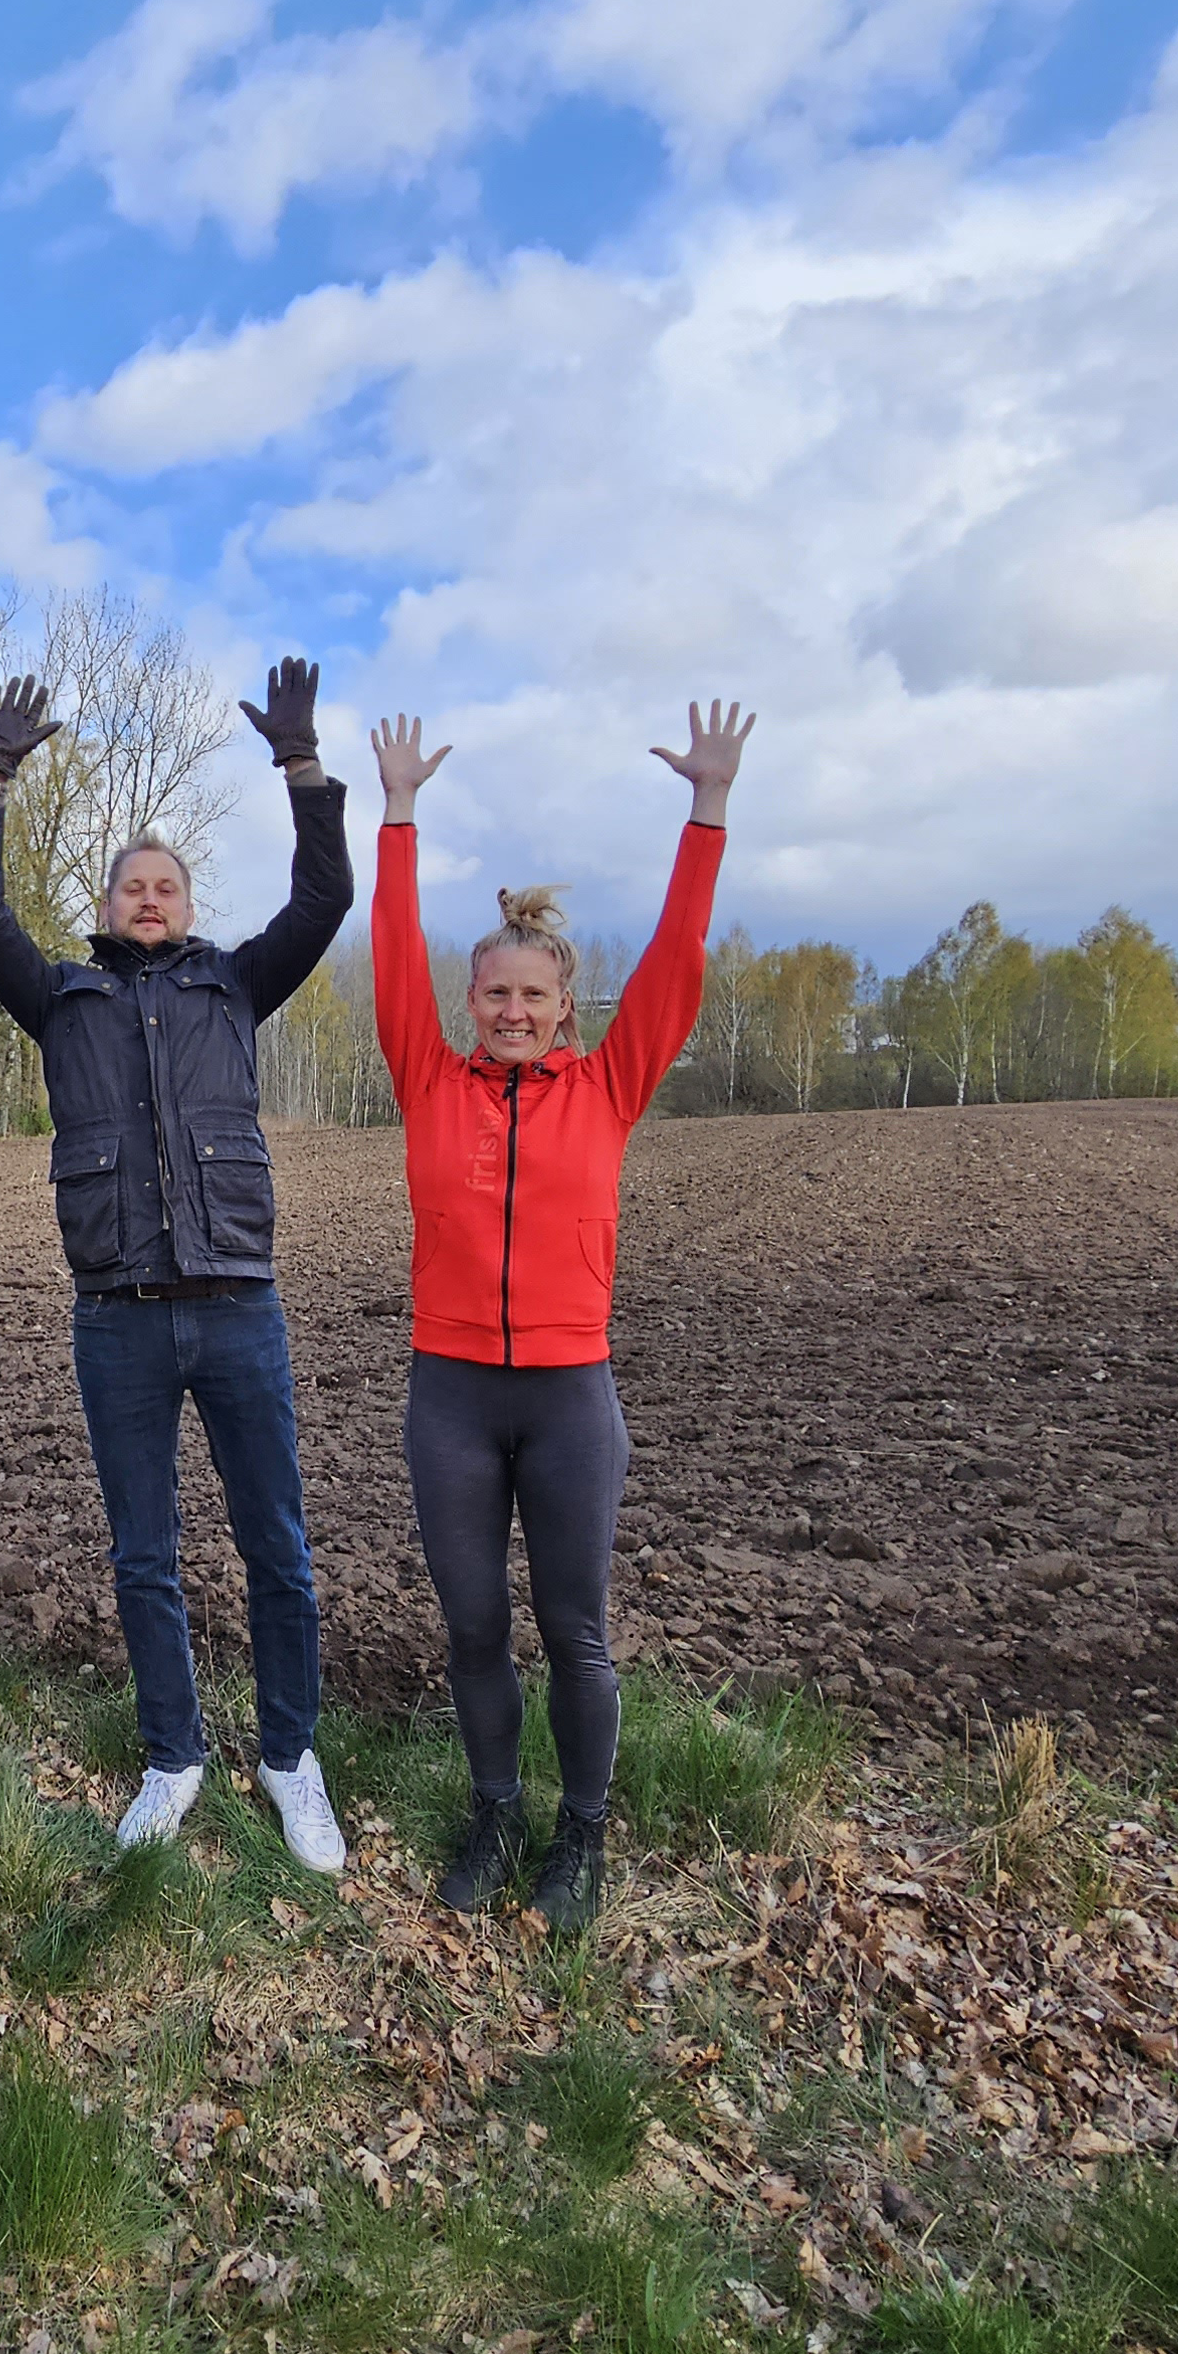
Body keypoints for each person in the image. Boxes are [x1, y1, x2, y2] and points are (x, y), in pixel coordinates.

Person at [0, 656, 357, 1871]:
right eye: (130, 884)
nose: (147, 897)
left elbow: (324, 899)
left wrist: (301, 765)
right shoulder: (59, 999)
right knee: (143, 1553)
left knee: (275, 1542)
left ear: (186, 904)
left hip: (238, 1307)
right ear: (108, 902)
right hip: (116, 1317)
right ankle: (172, 1754)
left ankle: (291, 1760)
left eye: (164, 884)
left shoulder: (234, 984)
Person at [367, 699, 753, 1929]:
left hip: (571, 1397)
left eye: (534, 995)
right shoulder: (428, 1079)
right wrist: (396, 814)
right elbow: (387, 947)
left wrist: (707, 810)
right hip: (453, 1395)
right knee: (474, 1625)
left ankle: (581, 1837)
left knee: (574, 1631)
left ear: (563, 1006)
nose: (513, 1012)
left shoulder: (609, 1086)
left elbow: (677, 967)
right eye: (494, 995)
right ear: (468, 1001)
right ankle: (495, 1813)